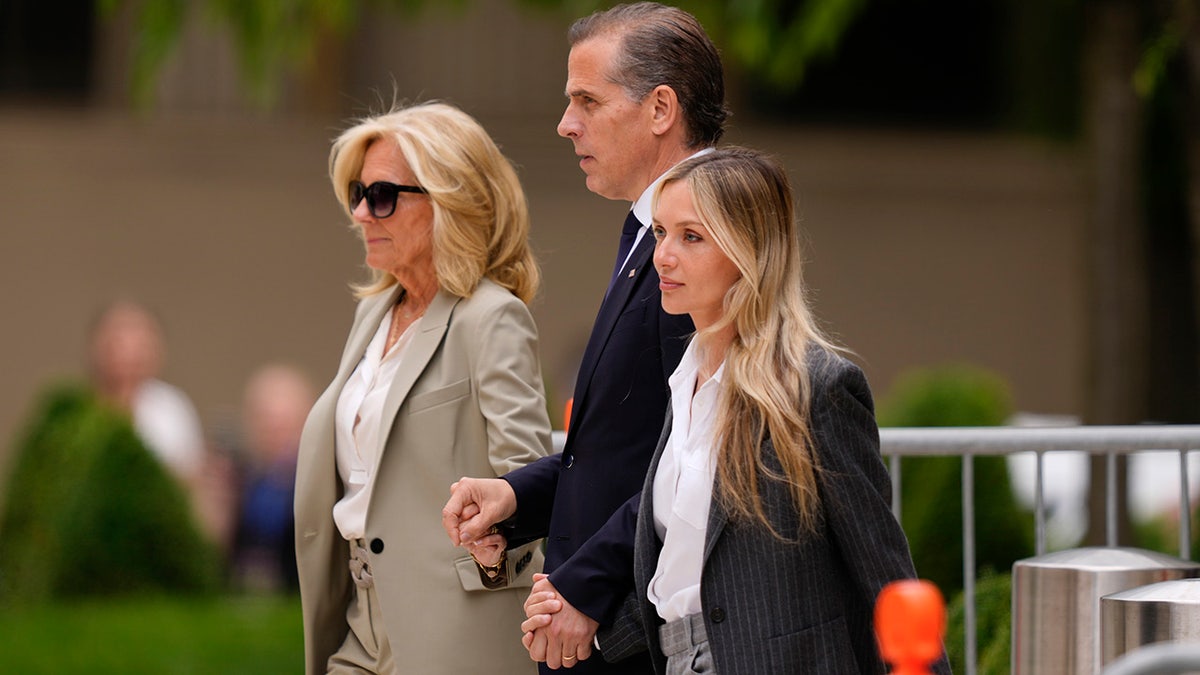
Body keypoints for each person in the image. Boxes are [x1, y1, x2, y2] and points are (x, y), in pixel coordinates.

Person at [525, 148, 950, 673]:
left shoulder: (815, 388)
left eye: (692, 236)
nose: (663, 256)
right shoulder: (685, 381)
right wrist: (578, 611)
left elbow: (886, 575)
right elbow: (688, 574)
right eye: (660, 232)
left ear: (750, 250)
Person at [442, 3, 725, 672]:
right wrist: (517, 499)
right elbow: (628, 444)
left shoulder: (707, 236)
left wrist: (587, 585)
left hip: (643, 632)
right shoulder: (647, 229)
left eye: (587, 101)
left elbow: (703, 454)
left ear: (660, 109)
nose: (567, 124)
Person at [293, 101, 552, 674]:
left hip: (455, 630)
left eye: (382, 195)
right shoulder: (375, 314)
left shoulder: (492, 317)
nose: (361, 212)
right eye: (357, 193)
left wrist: (495, 545)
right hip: (360, 622)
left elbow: (528, 479)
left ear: (449, 202)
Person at [87, 299, 206, 484]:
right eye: (119, 342)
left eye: (141, 345)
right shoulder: (78, 412)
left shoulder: (172, 409)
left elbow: (190, 479)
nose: (129, 355)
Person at [232, 363, 314, 592]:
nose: (275, 436)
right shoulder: (238, 483)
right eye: (266, 424)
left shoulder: (323, 490)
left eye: (285, 425)